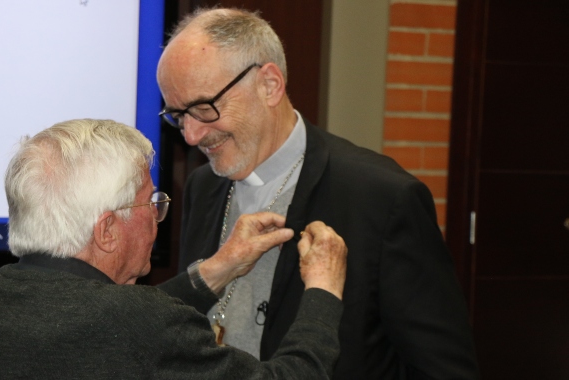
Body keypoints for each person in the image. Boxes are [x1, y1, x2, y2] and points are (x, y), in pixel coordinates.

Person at [156, 7, 480, 380]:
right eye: (179, 116)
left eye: (204, 108)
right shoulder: (203, 186)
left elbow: (444, 368)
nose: (192, 136)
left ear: (270, 85)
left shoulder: (382, 199)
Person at [0, 119, 348, 379]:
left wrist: (217, 270)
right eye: (151, 202)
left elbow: (97, 323)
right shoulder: (142, 324)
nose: (158, 214)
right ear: (108, 231)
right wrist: (323, 291)